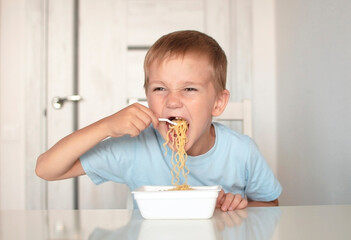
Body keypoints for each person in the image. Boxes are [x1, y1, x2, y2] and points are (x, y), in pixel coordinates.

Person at [36, 30, 282, 211]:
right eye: (159, 89)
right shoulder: (135, 148)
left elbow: (271, 203)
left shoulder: (241, 151)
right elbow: (46, 169)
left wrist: (241, 207)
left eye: (189, 89)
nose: (172, 101)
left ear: (218, 102)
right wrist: (106, 126)